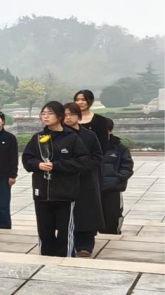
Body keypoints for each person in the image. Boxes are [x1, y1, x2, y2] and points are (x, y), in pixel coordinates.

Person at [22, 102, 89, 256]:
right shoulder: (38, 138)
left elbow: (82, 161)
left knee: (65, 231)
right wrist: (38, 164)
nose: (45, 116)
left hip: (65, 192)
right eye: (43, 113)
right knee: (44, 230)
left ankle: (65, 258)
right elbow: (27, 159)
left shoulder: (71, 138)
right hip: (42, 191)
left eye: (49, 113)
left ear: (59, 116)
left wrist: (56, 165)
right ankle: (45, 258)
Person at [63, 102, 104, 258]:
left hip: (86, 179)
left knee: (87, 213)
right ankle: (69, 242)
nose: (68, 118)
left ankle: (85, 245)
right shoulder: (59, 135)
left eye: (71, 114)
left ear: (78, 116)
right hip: (66, 180)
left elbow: (97, 156)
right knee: (68, 214)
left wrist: (83, 168)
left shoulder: (89, 135)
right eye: (65, 115)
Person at [100, 119, 134, 235]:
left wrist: (117, 179)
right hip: (93, 187)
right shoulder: (90, 145)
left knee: (112, 217)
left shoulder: (120, 148)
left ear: (110, 130)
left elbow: (127, 167)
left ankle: (112, 235)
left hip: (112, 189)